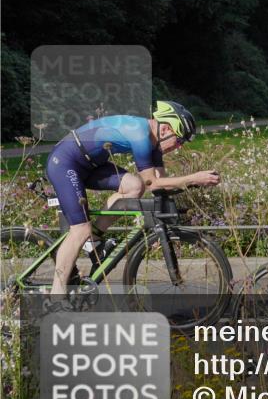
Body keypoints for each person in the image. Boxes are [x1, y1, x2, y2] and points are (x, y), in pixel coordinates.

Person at [45, 101, 221, 297]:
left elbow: (161, 183)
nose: (178, 147)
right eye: (179, 141)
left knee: (134, 186)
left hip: (91, 165)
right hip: (65, 162)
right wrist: (193, 178)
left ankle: (94, 240)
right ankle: (56, 295)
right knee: (80, 230)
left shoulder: (155, 143)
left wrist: (196, 183)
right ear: (165, 129)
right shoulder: (140, 136)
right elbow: (152, 183)